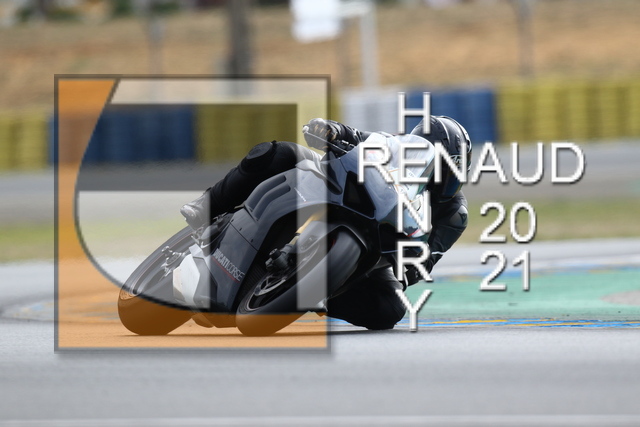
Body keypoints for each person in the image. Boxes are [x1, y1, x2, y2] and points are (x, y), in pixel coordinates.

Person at [180, 116, 471, 330]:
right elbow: (354, 136)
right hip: (342, 192)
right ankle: (207, 206)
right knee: (280, 153)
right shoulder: (392, 145)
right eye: (439, 164)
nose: (443, 175)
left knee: (390, 310)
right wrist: (330, 130)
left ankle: (308, 290)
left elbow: (425, 261)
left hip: (378, 249)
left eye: (452, 167)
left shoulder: (453, 215)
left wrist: (410, 267)